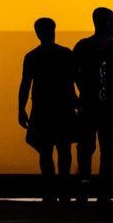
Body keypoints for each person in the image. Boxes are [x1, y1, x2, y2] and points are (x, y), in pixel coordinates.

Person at [18, 17, 77, 205]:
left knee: (45, 151)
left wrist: (21, 108)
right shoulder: (66, 54)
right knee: (64, 150)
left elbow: (25, 85)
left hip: (42, 108)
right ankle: (65, 189)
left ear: (37, 33)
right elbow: (73, 80)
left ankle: (50, 190)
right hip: (63, 106)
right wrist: (78, 103)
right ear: (54, 30)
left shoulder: (32, 56)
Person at [73, 7, 113, 207]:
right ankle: (104, 192)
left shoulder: (81, 47)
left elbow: (72, 74)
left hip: (87, 105)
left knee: (85, 147)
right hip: (110, 106)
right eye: (112, 21)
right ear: (107, 23)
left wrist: (81, 90)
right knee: (108, 149)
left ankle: (84, 184)